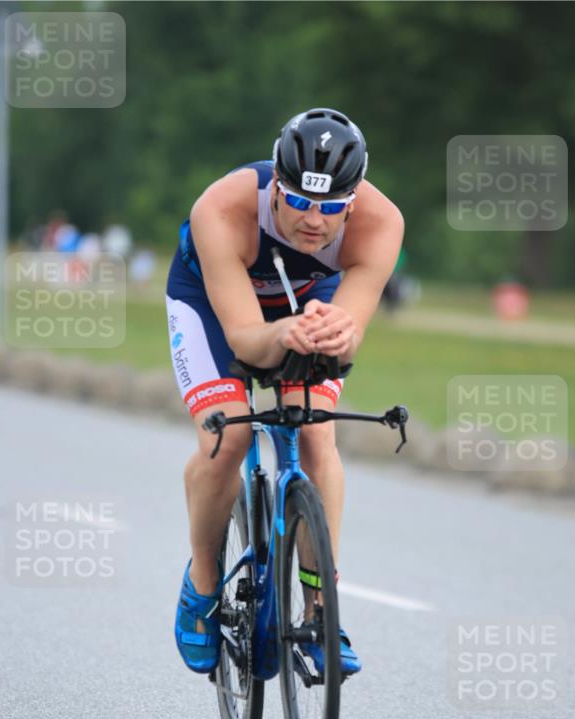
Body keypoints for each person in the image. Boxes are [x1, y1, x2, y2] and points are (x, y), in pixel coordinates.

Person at [166, 107, 404, 677]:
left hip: (309, 296)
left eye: (329, 207)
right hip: (214, 302)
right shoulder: (222, 208)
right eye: (297, 200)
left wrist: (334, 333)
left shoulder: (381, 221)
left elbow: (348, 333)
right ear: (275, 182)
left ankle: (322, 609)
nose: (313, 220)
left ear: (354, 198)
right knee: (229, 436)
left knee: (319, 435)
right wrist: (280, 334)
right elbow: (246, 340)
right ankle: (201, 586)